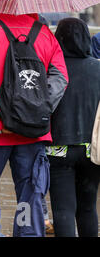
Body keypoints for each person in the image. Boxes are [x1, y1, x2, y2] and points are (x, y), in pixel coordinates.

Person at [0, 12, 68, 237]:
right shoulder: (44, 33)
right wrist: (37, 111)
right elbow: (60, 76)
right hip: (33, 134)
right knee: (29, 196)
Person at [48, 18, 100, 237]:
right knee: (88, 207)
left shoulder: (52, 69)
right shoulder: (98, 68)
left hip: (59, 147)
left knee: (63, 209)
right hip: (92, 148)